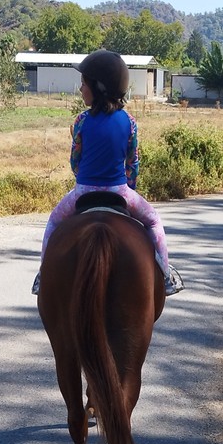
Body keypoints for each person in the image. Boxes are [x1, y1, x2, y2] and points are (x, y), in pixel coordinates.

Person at [34, 50, 183, 296]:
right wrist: (129, 187)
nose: (81, 88)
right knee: (154, 220)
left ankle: (43, 275)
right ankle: (166, 276)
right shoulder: (130, 122)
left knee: (53, 222)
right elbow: (133, 162)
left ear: (99, 87)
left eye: (84, 83)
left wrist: (84, 177)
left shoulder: (81, 120)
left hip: (82, 192)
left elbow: (75, 161)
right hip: (120, 192)